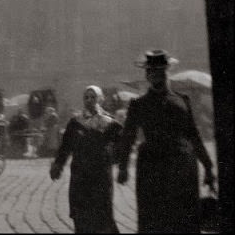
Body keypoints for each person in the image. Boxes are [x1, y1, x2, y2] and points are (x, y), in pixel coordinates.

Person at [115, 50, 215, 233]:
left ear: (166, 72)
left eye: (159, 71)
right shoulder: (138, 104)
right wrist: (122, 166)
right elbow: (127, 137)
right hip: (152, 168)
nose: (155, 75)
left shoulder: (182, 100)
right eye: (151, 71)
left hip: (182, 167)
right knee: (154, 218)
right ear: (147, 75)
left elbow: (193, 135)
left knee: (184, 218)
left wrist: (208, 166)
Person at [50, 85, 123, 233]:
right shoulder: (75, 123)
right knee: (81, 214)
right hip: (80, 175)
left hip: (101, 175)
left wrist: (115, 158)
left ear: (100, 99)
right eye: (86, 97)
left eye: (93, 97)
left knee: (103, 215)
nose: (89, 100)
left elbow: (122, 145)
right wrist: (58, 164)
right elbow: (65, 147)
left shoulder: (110, 123)